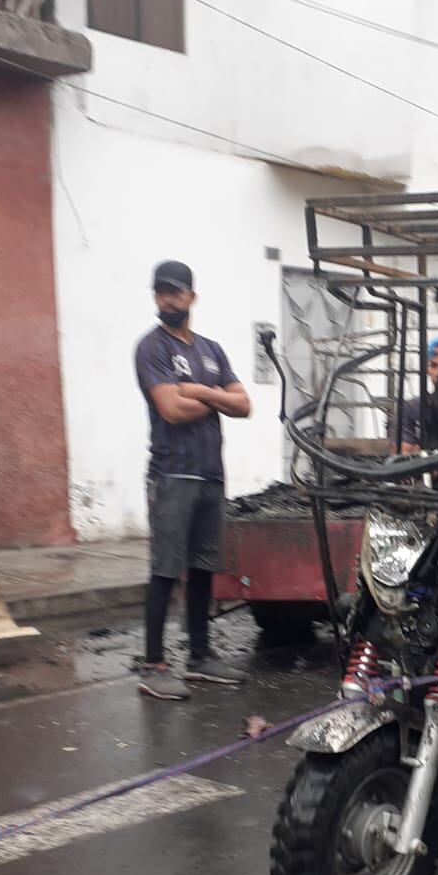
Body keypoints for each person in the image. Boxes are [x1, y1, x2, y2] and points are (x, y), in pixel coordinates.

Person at [135, 260, 252, 700]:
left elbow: (245, 405)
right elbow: (170, 409)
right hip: (171, 474)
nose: (168, 299)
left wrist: (199, 391)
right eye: (161, 292)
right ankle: (153, 664)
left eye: (176, 292)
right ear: (156, 297)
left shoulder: (211, 349)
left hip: (209, 474)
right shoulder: (152, 349)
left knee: (203, 568)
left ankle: (200, 657)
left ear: (191, 297)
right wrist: (218, 397)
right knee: (165, 570)